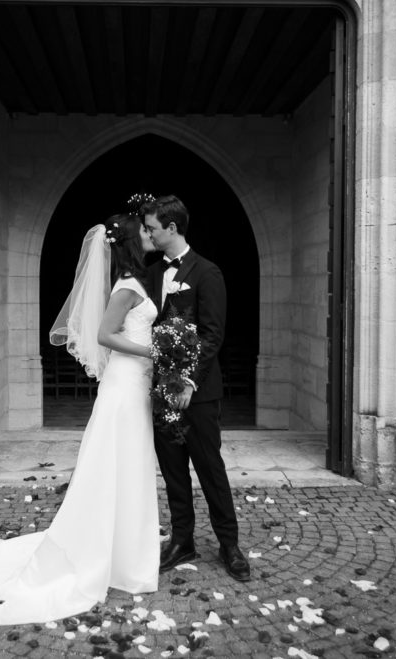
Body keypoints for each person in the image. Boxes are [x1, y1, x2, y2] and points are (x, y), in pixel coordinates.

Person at [0, 213, 160, 625]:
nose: (149, 233)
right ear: (129, 241)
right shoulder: (126, 287)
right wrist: (153, 351)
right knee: (115, 462)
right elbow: (104, 335)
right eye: (143, 230)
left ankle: (126, 550)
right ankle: (111, 552)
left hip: (134, 382)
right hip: (125, 385)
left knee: (130, 464)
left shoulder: (134, 282)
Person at [140, 195, 251, 583]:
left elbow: (212, 333)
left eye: (152, 228)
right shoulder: (151, 274)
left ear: (172, 228)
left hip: (199, 394)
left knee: (210, 469)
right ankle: (182, 540)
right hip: (161, 392)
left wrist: (188, 380)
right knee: (173, 471)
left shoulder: (207, 272)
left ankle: (229, 544)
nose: (149, 235)